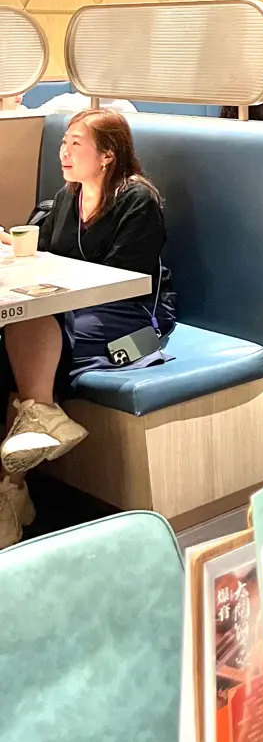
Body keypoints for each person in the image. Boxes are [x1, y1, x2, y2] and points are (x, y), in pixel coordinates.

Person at [0, 109, 175, 548]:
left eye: (76, 143)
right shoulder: (67, 198)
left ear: (107, 155)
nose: (64, 151)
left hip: (142, 329)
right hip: (75, 314)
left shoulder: (138, 200)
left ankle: (12, 489)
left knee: (35, 332)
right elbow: (44, 252)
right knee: (14, 337)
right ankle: (18, 468)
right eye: (63, 142)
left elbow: (125, 283)